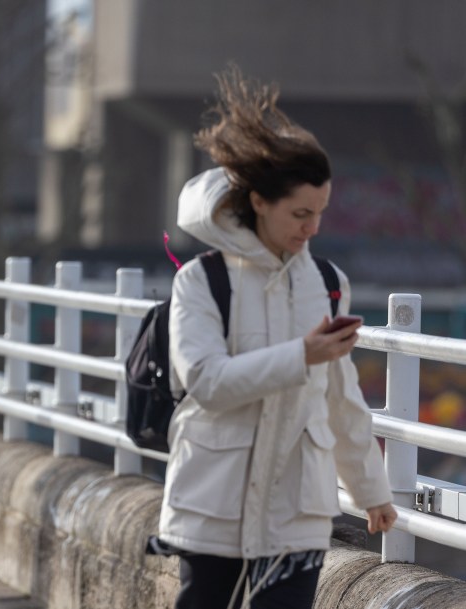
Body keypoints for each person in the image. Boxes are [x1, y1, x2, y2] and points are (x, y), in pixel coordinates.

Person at [155, 67, 397, 609]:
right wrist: (301, 355)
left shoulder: (330, 283)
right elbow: (207, 382)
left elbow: (341, 397)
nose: (312, 228)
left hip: (299, 508)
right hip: (216, 500)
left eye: (320, 214)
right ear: (259, 201)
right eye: (300, 213)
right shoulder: (202, 279)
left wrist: (372, 492)